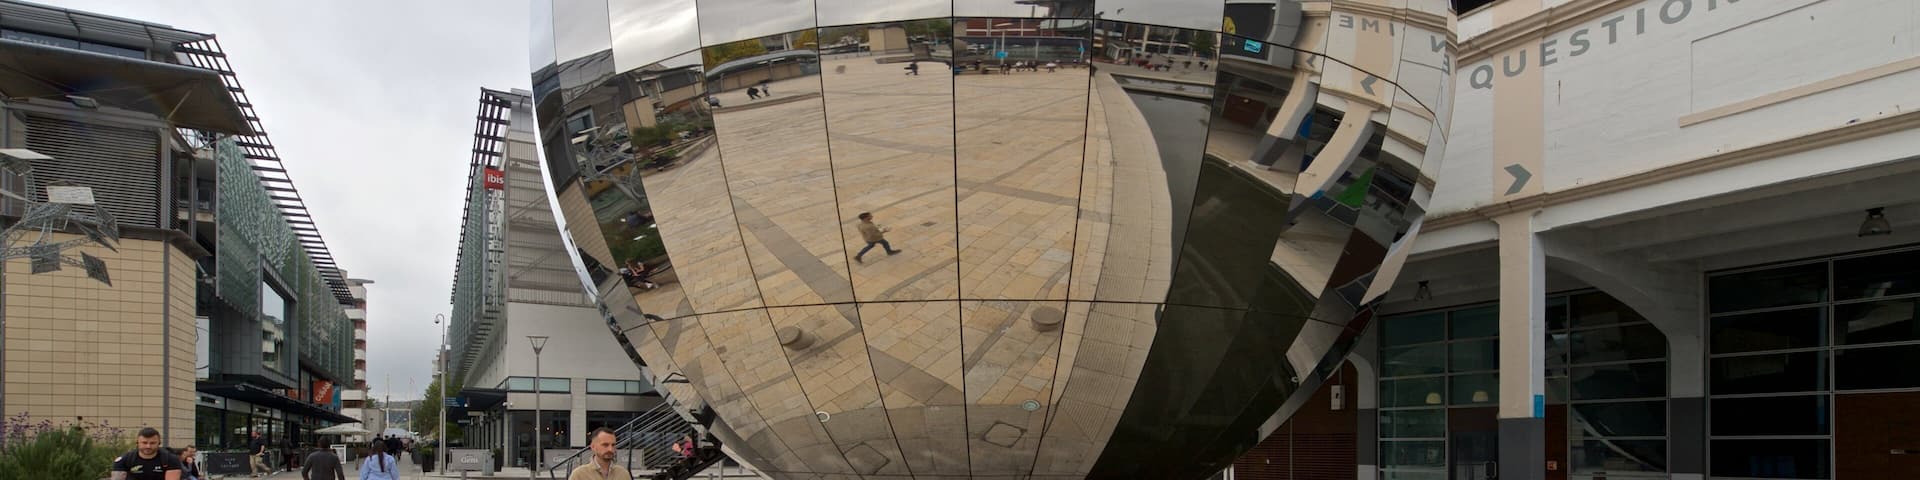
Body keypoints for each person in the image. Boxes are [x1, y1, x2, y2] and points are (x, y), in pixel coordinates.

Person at [111, 427, 184, 480]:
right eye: (144, 443)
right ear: (137, 442)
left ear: (159, 443)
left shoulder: (170, 459)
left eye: (152, 443)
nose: (148, 446)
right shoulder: (124, 460)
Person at [567, 428, 632, 480]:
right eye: (605, 445)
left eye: (613, 445)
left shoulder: (623, 474)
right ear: (593, 447)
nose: (610, 449)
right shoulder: (579, 475)